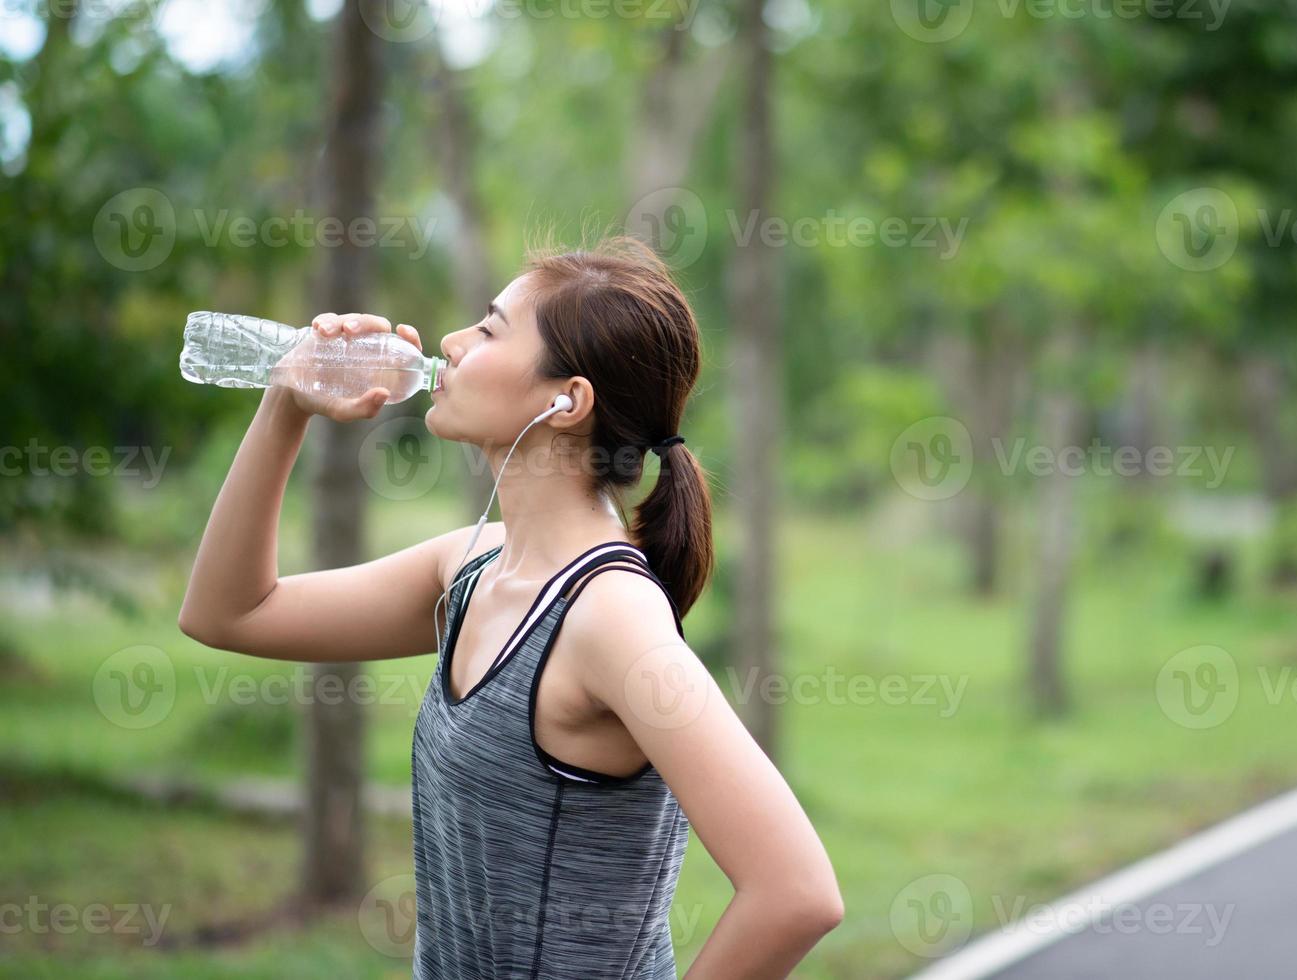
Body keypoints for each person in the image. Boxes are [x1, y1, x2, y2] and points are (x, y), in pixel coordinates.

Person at [179, 237, 843, 978]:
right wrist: (286, 402)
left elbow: (796, 892)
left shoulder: (610, 619)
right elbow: (228, 612)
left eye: (489, 330)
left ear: (567, 401)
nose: (451, 344)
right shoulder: (470, 567)